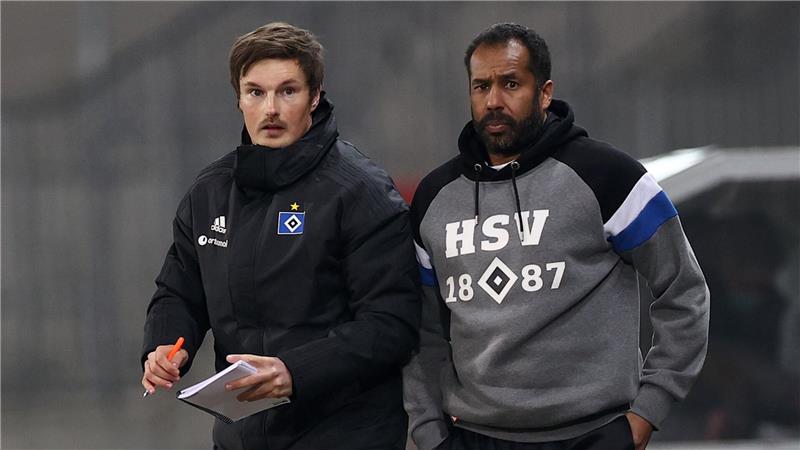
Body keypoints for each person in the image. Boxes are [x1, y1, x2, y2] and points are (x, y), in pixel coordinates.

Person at [403, 23, 710, 450]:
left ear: (544, 92)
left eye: (511, 84)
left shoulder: (608, 176)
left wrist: (645, 414)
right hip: (472, 436)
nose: (493, 100)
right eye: (481, 86)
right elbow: (422, 329)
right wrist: (427, 431)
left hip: (593, 434)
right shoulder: (435, 197)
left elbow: (684, 292)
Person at [141, 22, 420, 450]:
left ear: (315, 96)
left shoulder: (361, 192)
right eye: (256, 92)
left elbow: (391, 325)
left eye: (287, 91)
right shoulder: (209, 193)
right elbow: (179, 291)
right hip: (242, 436)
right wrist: (164, 346)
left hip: (346, 433)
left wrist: (295, 370)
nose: (270, 108)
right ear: (238, 98)